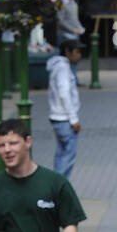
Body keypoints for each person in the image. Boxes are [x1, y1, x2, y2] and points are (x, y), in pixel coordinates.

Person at [47, 38, 82, 178]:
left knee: (62, 154)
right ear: (68, 52)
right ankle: (59, 189)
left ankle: (57, 188)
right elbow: (64, 93)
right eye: (77, 52)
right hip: (64, 118)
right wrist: (73, 119)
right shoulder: (63, 68)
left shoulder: (58, 66)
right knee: (67, 156)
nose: (79, 55)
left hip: (58, 116)